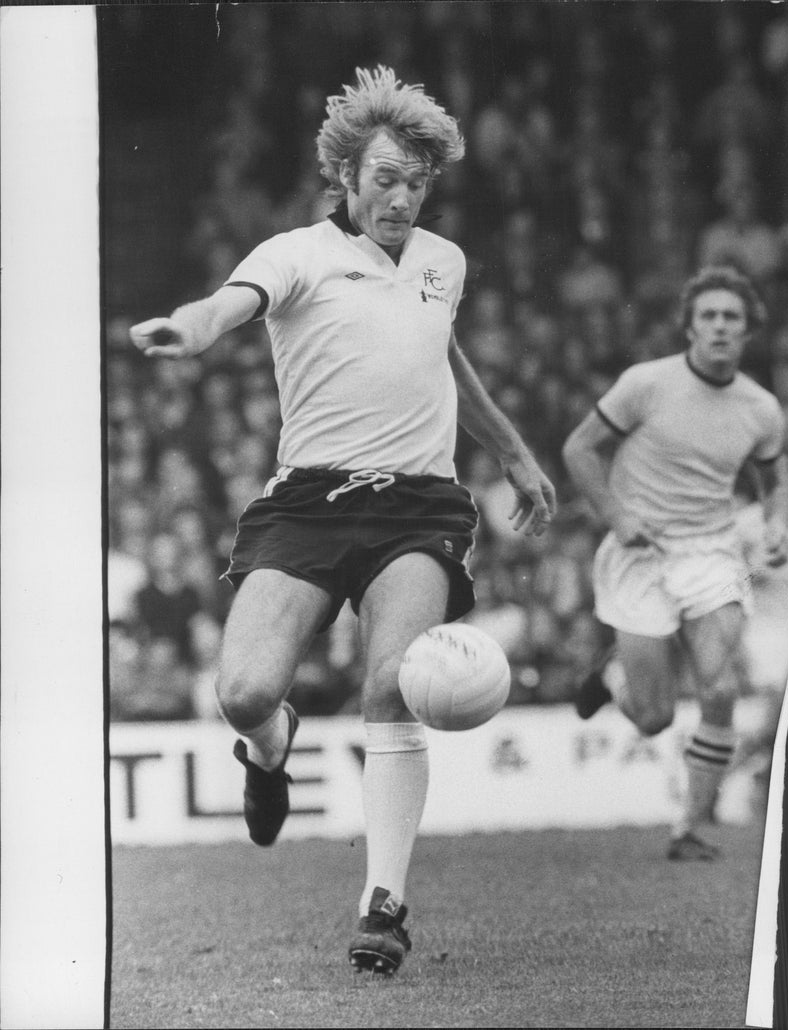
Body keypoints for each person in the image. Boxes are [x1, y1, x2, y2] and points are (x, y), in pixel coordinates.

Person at [130, 66, 556, 974]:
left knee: (390, 685)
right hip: (310, 501)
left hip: (419, 503)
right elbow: (229, 305)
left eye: (416, 182)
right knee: (242, 692)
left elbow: (445, 361)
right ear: (347, 179)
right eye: (385, 180)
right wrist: (192, 329)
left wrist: (515, 454)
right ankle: (271, 742)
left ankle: (384, 905)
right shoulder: (294, 253)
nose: (401, 198)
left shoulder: (444, 262)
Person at [561, 265, 788, 861]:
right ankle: (613, 678)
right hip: (638, 553)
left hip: (711, 552)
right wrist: (615, 515)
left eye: (731, 318)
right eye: (708, 315)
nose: (719, 326)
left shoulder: (761, 409)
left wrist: (776, 525)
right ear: (689, 326)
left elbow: (773, 477)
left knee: (720, 690)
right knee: (655, 717)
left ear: (747, 332)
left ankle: (688, 827)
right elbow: (579, 448)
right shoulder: (646, 383)